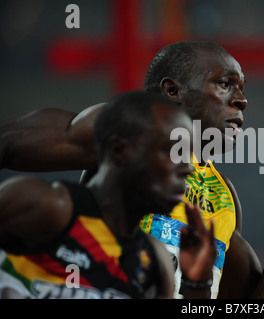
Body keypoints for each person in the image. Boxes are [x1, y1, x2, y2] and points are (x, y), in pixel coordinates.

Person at [0, 41, 264, 299]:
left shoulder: (222, 194)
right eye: (225, 84)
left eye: (242, 88)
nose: (242, 100)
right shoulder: (123, 132)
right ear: (172, 91)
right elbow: (7, 143)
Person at [0, 91, 216, 299]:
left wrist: (197, 284)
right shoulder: (45, 207)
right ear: (119, 149)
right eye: (172, 151)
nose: (187, 168)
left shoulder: (154, 263)